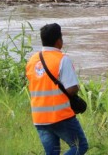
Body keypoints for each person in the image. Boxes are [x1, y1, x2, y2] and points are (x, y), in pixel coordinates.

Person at [26, 23, 89, 155]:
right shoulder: (62, 59)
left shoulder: (32, 60)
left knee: (52, 153)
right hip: (60, 115)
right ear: (59, 41)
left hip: (39, 117)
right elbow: (71, 89)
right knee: (80, 146)